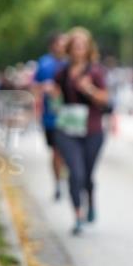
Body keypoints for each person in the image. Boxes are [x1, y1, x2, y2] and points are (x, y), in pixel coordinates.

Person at [54, 27, 110, 236]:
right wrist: (51, 95)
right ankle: (77, 215)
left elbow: (105, 99)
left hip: (92, 130)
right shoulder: (62, 73)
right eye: (75, 46)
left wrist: (89, 89)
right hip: (68, 130)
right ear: (69, 49)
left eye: (82, 46)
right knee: (75, 173)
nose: (79, 50)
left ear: (88, 49)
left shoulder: (95, 72)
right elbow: (55, 99)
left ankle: (91, 201)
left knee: (86, 175)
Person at [34, 33, 67, 200]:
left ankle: (69, 178)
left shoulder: (71, 62)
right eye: (60, 43)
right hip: (51, 117)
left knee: (69, 151)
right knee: (56, 152)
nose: (63, 46)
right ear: (53, 45)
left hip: (70, 116)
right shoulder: (44, 63)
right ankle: (58, 183)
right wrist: (44, 88)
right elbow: (34, 87)